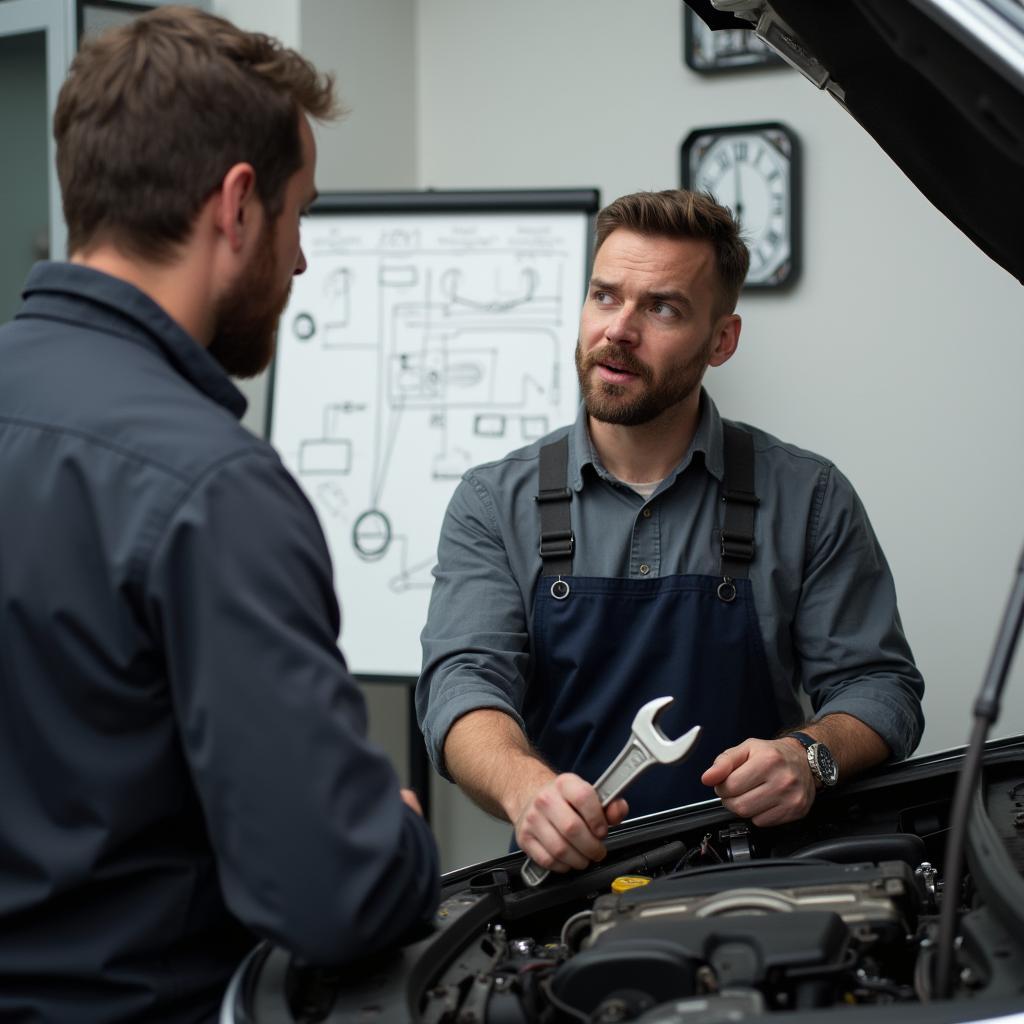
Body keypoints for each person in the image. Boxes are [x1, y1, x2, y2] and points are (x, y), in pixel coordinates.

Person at [0, 8, 439, 1023]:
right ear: (237, 207)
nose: (299, 264)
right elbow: (336, 896)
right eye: (299, 218)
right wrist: (396, 834)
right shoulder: (210, 487)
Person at [417, 188, 924, 878]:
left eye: (661, 307)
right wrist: (523, 787)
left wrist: (811, 756)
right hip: (566, 894)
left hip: (761, 877)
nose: (618, 330)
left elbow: (881, 687)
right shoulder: (491, 501)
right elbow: (461, 683)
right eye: (604, 296)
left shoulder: (809, 496)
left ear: (722, 340)